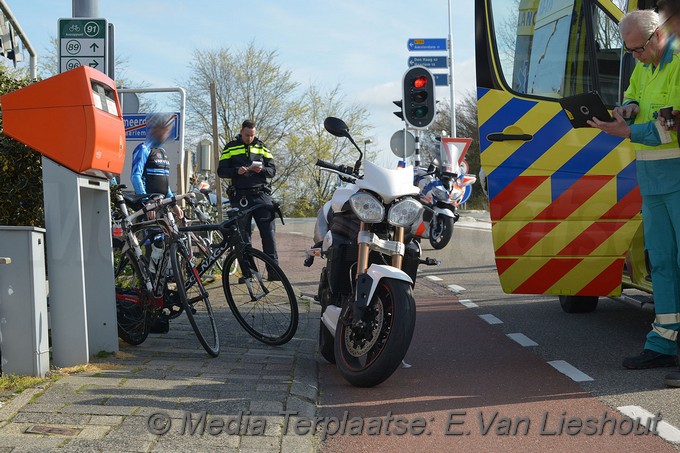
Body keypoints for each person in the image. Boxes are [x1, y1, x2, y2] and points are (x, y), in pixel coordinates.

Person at [588, 9, 680, 372]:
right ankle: (663, 344)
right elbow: (636, 96)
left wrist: (628, 133)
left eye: (637, 49)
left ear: (658, 36)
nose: (634, 57)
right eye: (629, 51)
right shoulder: (644, 66)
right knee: (661, 264)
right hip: (653, 178)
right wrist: (628, 108)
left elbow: (673, 126)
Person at [130, 113, 183, 334]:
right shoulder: (143, 149)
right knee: (155, 251)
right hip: (150, 209)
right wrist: (146, 202)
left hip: (162, 207)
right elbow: (136, 176)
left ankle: (160, 302)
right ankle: (148, 302)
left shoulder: (162, 153)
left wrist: (173, 204)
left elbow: (165, 183)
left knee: (167, 251)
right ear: (155, 129)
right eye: (164, 131)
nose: (167, 135)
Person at [217, 120, 279, 271]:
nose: (249, 138)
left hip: (261, 195)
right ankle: (249, 273)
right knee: (243, 237)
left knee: (269, 234)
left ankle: (274, 272)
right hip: (240, 197)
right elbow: (221, 171)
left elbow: (272, 171)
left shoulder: (262, 147)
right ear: (241, 131)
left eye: (252, 135)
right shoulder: (230, 147)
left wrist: (262, 169)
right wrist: (235, 171)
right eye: (246, 135)